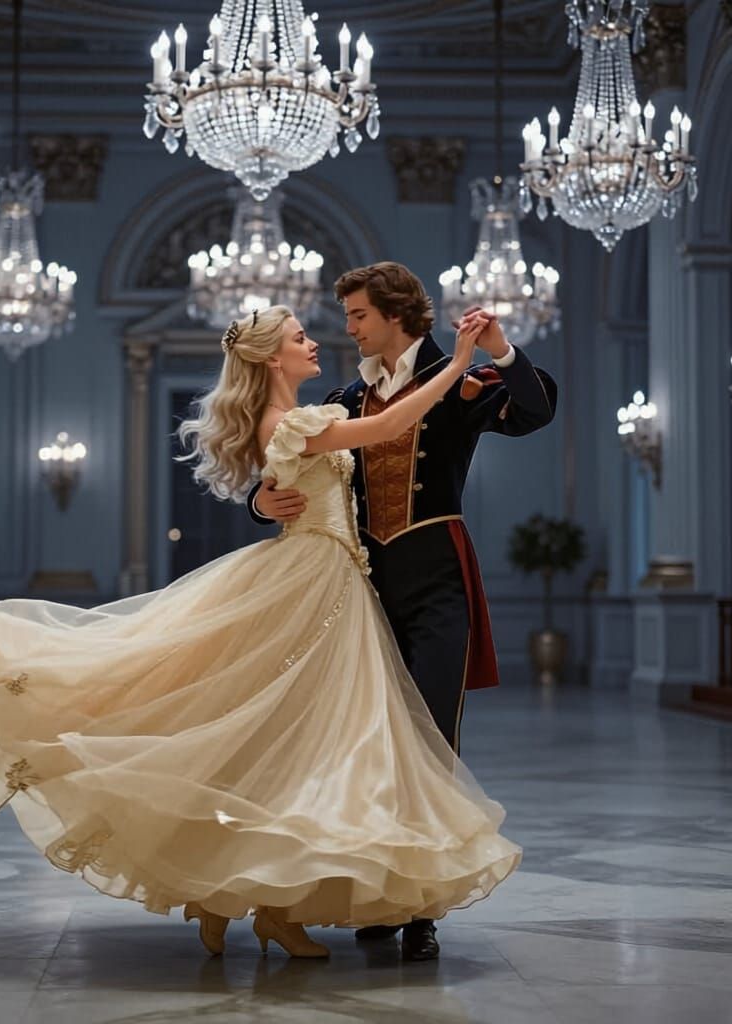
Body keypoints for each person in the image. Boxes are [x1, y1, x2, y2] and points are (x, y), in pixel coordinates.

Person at [0, 304, 520, 963]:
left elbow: (338, 472)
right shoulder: (296, 421)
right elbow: (393, 424)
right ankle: (253, 900)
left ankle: (244, 901)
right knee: (297, 743)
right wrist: (456, 363)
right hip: (313, 585)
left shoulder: (296, 419)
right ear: (271, 360)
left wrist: (261, 498)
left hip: (332, 579)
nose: (315, 343)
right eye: (299, 338)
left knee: (281, 744)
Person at [249, 263, 557, 959]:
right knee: (370, 748)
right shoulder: (346, 397)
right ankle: (381, 894)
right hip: (362, 589)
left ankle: (422, 911)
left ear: (394, 315)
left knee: (429, 744)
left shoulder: (462, 377)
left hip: (439, 580)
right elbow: (290, 468)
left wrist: (503, 350)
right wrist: (259, 504)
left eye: (358, 315)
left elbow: (535, 412)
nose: (350, 327)